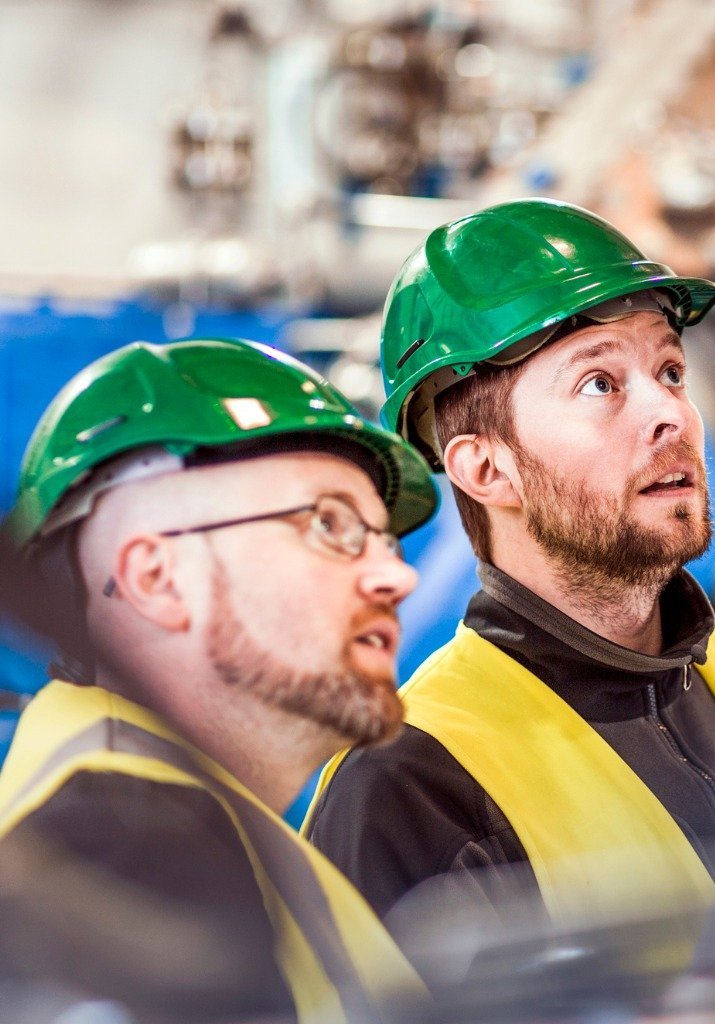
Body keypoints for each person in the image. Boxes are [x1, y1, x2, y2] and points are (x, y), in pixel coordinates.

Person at [305, 199, 715, 951]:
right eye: (601, 384)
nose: (672, 415)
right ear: (488, 468)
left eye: (670, 370)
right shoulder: (411, 785)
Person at [0, 337, 438, 1022]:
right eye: (329, 524)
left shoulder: (192, 815)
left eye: (387, 541)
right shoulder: (121, 843)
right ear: (156, 579)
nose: (398, 576)